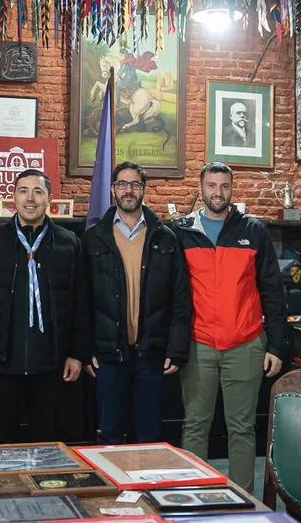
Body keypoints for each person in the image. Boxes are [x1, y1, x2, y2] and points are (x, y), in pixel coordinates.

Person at [172, 162, 287, 492]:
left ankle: (243, 503)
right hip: (199, 344)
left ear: (232, 189)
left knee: (242, 428)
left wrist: (277, 346)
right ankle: (192, 497)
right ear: (201, 188)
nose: (217, 192)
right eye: (211, 185)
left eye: (224, 186)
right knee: (195, 424)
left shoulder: (253, 231)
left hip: (246, 344)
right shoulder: (181, 231)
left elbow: (272, 290)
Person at [0, 169, 88, 442]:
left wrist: (77, 353)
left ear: (49, 199)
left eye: (38, 191)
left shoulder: (70, 244)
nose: (30, 199)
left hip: (51, 366)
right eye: (23, 191)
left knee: (47, 443)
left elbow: (81, 304)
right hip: (0, 364)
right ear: (13, 197)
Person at [82, 161, 192, 443]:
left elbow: (181, 298)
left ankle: (146, 487)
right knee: (110, 434)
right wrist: (86, 348)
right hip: (109, 354)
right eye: (122, 184)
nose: (128, 190)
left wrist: (176, 348)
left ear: (143, 189)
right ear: (112, 190)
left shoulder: (165, 237)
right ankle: (113, 489)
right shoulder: (94, 238)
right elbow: (81, 301)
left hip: (152, 353)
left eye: (134, 184)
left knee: (150, 436)